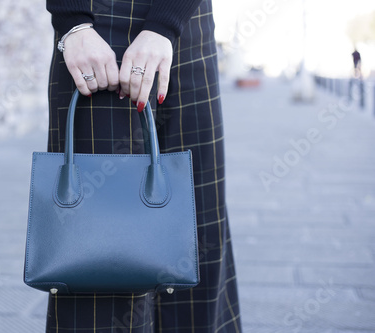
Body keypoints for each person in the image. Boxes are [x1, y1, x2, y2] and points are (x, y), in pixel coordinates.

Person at [44, 0, 242, 332]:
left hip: (186, 25)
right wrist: (72, 21)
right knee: (97, 247)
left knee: (196, 229)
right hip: (94, 25)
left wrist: (166, 25)